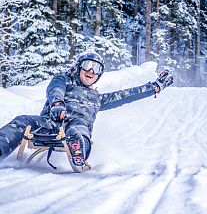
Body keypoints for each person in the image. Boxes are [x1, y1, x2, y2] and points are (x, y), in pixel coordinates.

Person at [0, 51, 173, 169]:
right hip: (51, 122)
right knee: (23, 120)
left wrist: (154, 88)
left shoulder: (97, 98)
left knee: (78, 128)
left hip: (76, 126)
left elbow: (125, 95)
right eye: (88, 65)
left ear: (99, 75)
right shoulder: (64, 80)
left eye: (96, 68)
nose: (91, 70)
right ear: (78, 67)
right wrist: (57, 103)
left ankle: (78, 150)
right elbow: (55, 89)